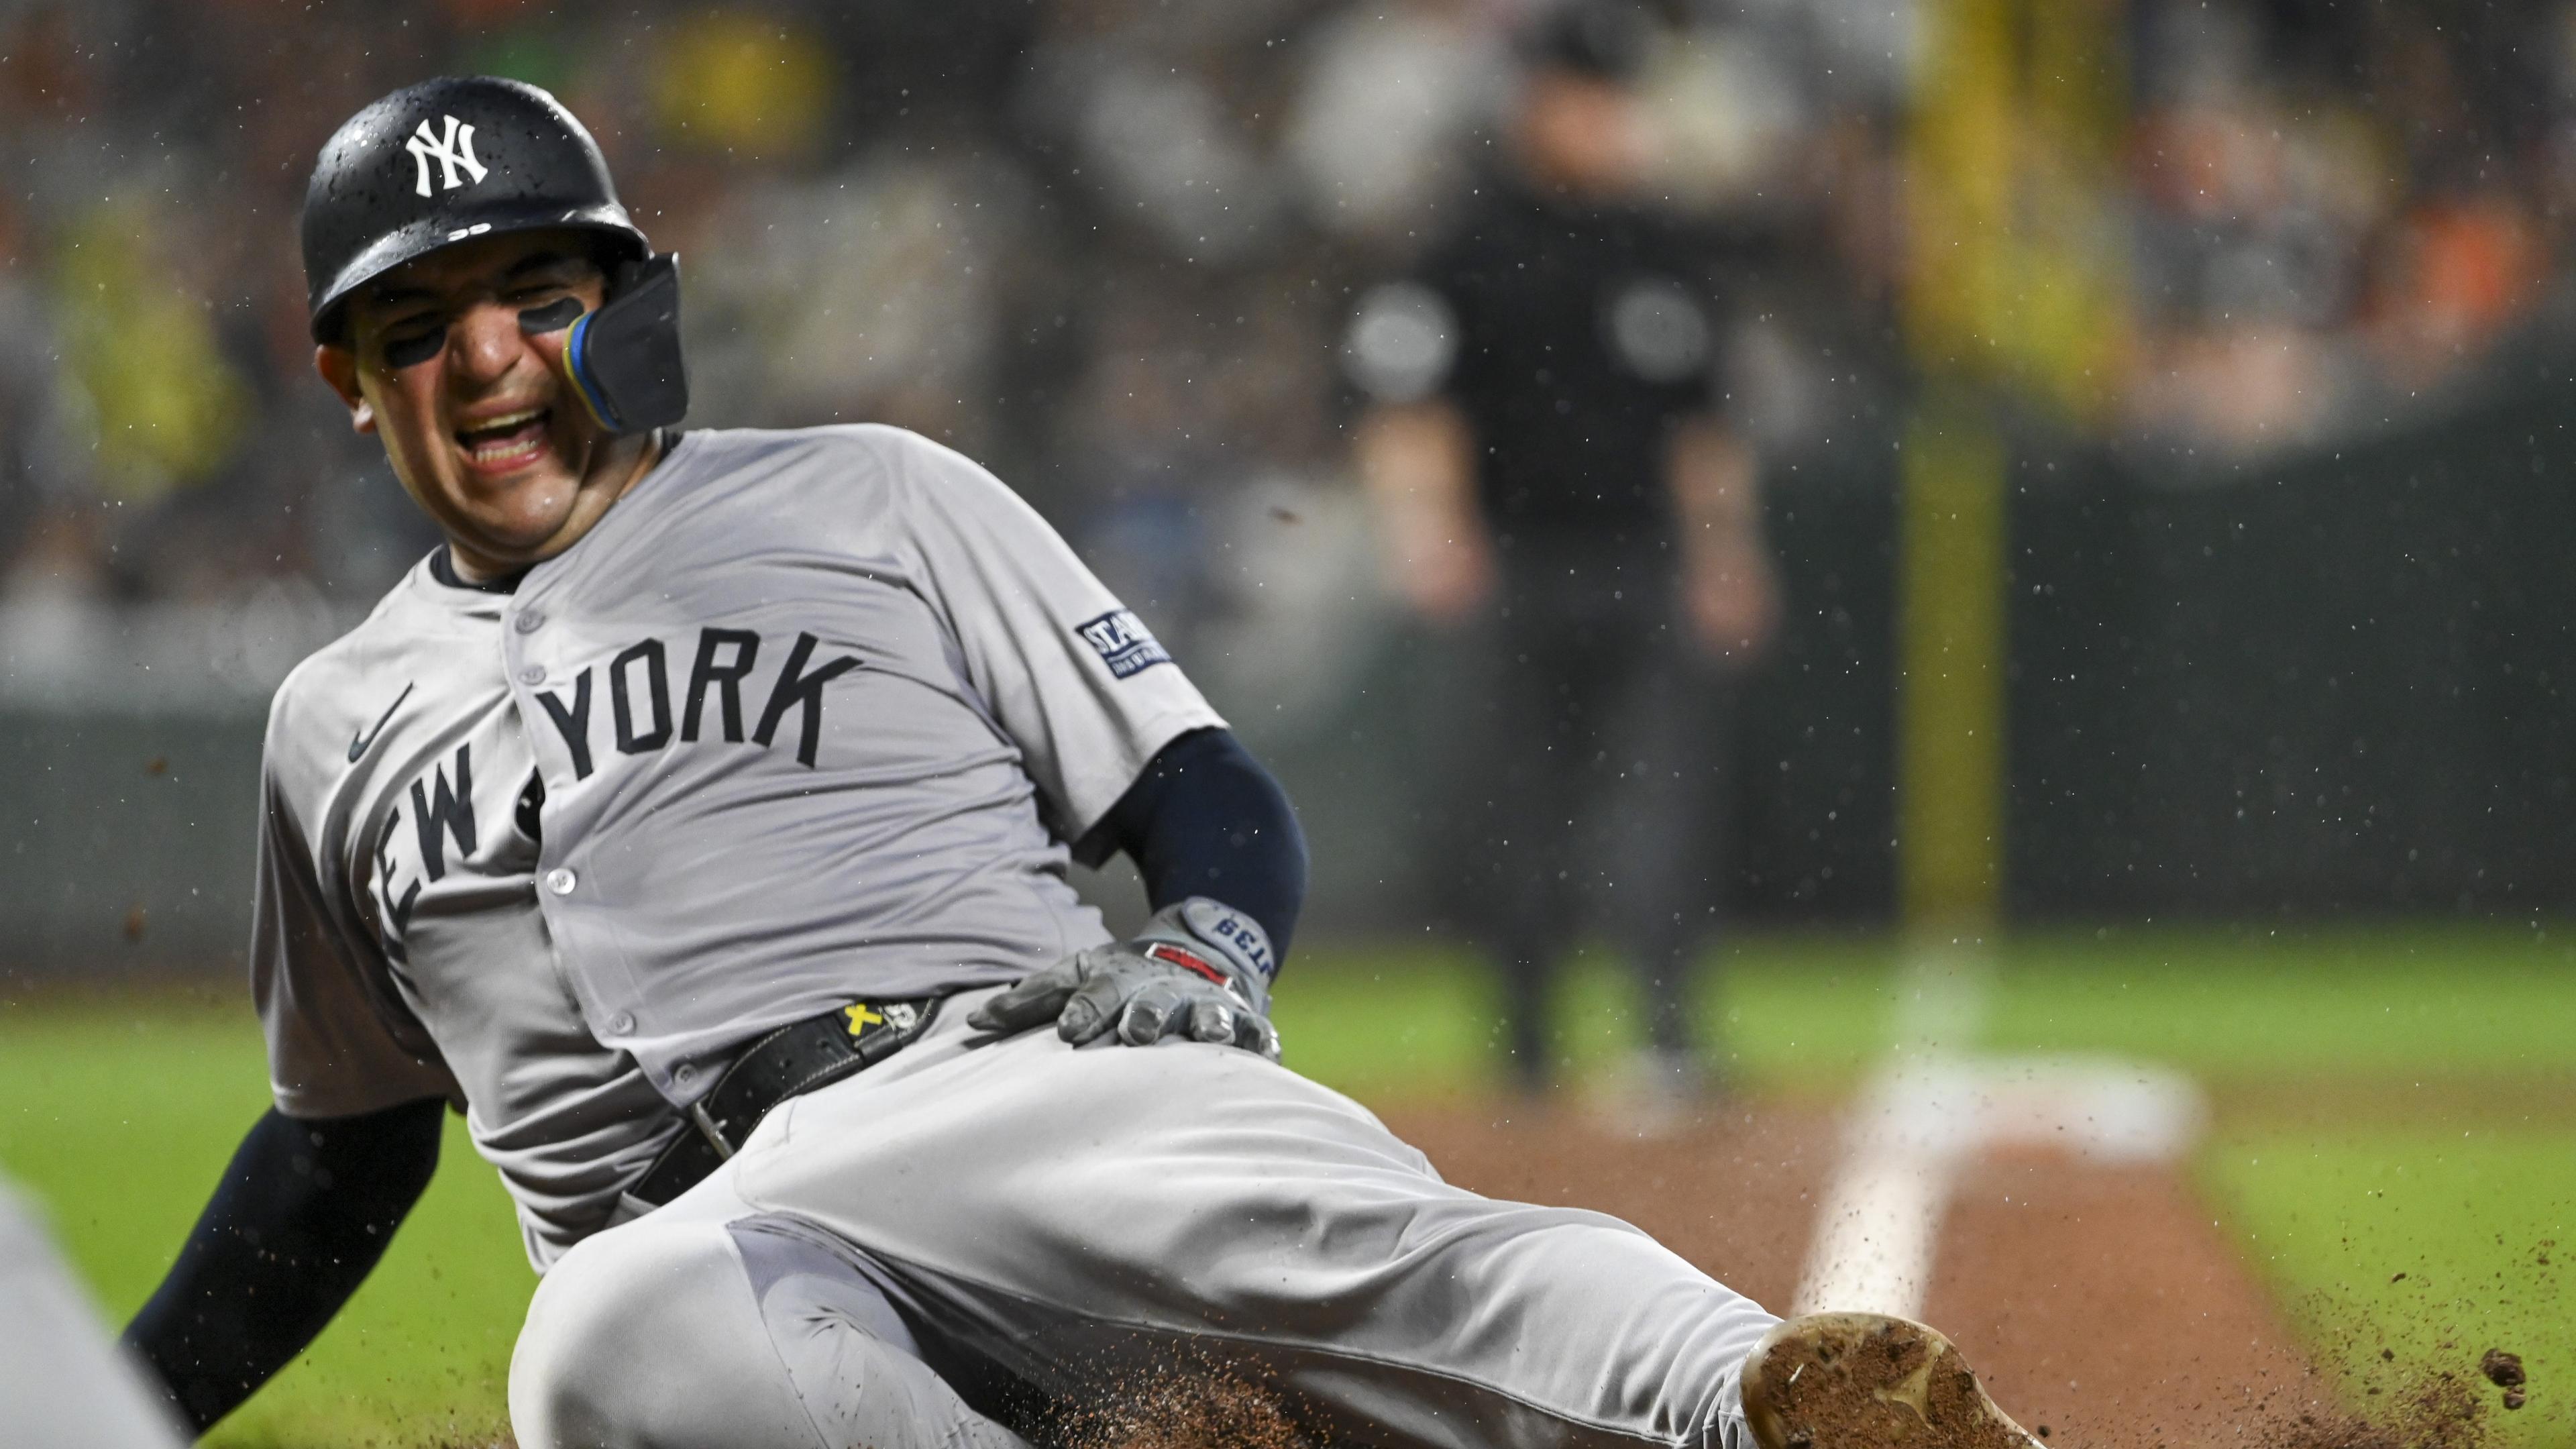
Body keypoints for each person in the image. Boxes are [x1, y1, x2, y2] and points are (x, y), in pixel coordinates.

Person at [118, 75, 2037, 1449]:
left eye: (536, 291)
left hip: (998, 1071)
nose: (489, 354)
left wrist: (1208, 939)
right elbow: (341, 1143)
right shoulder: (334, 728)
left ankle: (1771, 1402)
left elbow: (1198, 789)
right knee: (595, 1347)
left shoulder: (865, 494)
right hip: (706, 1267)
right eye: (417, 321)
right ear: (345, 377)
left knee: (1380, 1251)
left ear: (626, 300)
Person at [1346, 0, 1780, 1108]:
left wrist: (1727, 552)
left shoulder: (1659, 248)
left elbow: (1699, 422)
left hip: (1644, 561)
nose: (1618, 125)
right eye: (1598, 102)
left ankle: (1668, 1035)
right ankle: (1529, 1045)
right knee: (1514, 814)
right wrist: (1428, 531)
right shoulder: (1473, 245)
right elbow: (1408, 402)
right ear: (1544, 106)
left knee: (1661, 808)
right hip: (1515, 563)